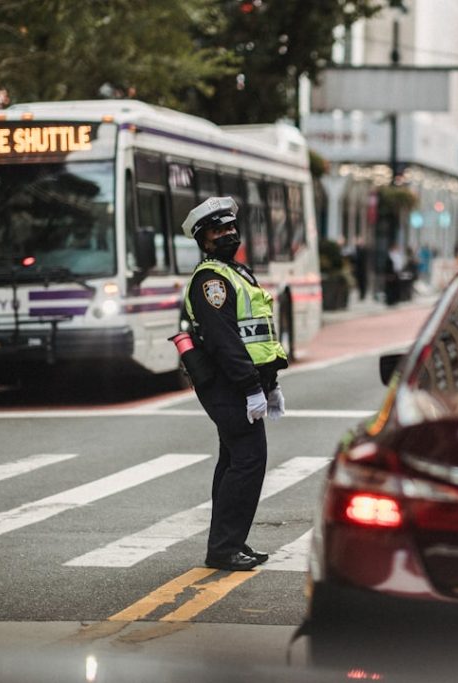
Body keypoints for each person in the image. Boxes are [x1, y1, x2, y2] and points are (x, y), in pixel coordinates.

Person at [181, 196, 289, 571]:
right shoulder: (211, 280)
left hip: (241, 381)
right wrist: (251, 388)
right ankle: (224, 548)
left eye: (230, 227)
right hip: (225, 383)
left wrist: (269, 381)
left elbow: (256, 334)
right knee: (248, 459)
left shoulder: (237, 273)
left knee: (234, 460)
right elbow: (225, 341)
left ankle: (229, 543)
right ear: (203, 239)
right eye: (218, 230)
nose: (228, 234)